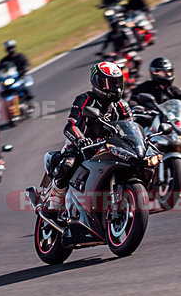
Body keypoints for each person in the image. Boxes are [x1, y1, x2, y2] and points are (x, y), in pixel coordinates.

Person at [44, 62, 131, 210]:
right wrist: (81, 140)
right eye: (111, 83)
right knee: (67, 166)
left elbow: (130, 127)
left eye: (118, 83)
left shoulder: (122, 106)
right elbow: (70, 126)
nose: (116, 88)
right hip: (81, 147)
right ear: (98, 83)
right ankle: (55, 200)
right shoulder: (85, 100)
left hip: (110, 148)